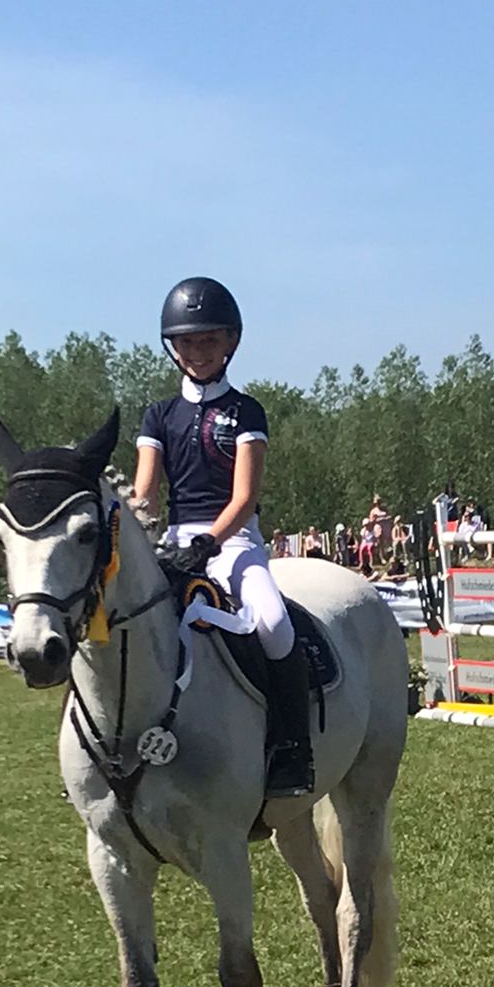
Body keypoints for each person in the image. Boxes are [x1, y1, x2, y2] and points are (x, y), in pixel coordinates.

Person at [133, 275, 311, 796]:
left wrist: (208, 543)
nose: (198, 352)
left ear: (231, 341)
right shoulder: (158, 415)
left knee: (274, 623)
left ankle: (292, 748)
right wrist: (133, 527)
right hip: (174, 543)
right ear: (173, 347)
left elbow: (244, 498)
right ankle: (97, 750)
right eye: (187, 342)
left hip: (232, 542)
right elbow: (146, 493)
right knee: (115, 624)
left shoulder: (246, 411)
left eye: (209, 340)